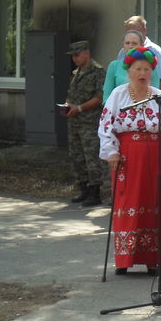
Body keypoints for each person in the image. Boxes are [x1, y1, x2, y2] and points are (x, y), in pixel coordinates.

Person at [98, 46, 161, 275]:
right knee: (127, 203)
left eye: (146, 69)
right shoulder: (118, 94)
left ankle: (153, 258)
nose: (142, 73)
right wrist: (111, 151)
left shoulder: (159, 97)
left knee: (154, 203)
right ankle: (125, 258)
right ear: (129, 71)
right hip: (128, 158)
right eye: (137, 69)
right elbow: (105, 125)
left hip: (155, 158)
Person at [64, 40, 105, 207]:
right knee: (77, 157)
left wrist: (79, 108)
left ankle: (95, 192)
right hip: (74, 122)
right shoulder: (76, 72)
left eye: (77, 54)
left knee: (91, 158)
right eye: (72, 55)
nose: (74, 58)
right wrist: (67, 104)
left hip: (89, 123)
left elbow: (99, 97)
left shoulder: (98, 72)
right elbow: (71, 93)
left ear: (86, 53)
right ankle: (84, 189)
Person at [103, 30, 158, 103]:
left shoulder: (150, 67)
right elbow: (107, 96)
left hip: (147, 108)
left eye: (134, 43)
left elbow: (155, 94)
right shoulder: (114, 66)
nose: (130, 46)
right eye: (127, 43)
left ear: (141, 46)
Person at [115, 16, 161, 83]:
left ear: (145, 30)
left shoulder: (155, 51)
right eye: (129, 32)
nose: (133, 34)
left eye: (136, 31)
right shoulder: (122, 52)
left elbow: (160, 80)